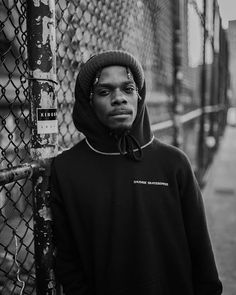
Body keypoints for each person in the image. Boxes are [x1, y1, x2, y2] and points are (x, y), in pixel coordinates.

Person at [50, 50, 222, 295]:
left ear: (139, 97)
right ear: (88, 102)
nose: (119, 98)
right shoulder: (66, 169)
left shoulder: (173, 164)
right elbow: (67, 258)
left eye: (128, 89)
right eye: (104, 91)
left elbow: (201, 252)